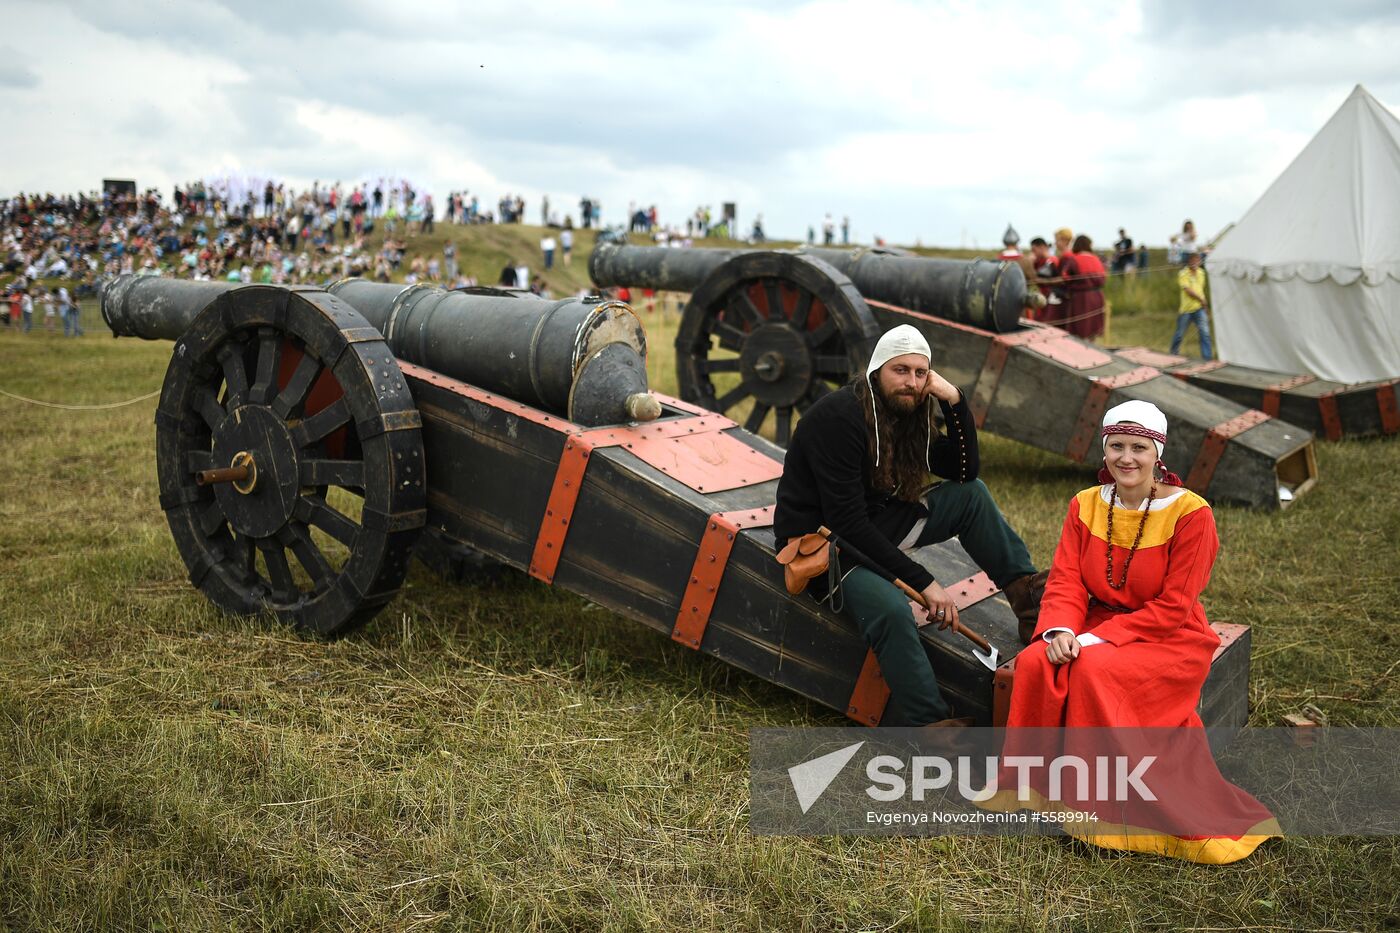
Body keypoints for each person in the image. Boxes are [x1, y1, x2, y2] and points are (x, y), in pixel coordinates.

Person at [982, 400, 1278, 862]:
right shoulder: (1084, 504)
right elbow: (1066, 580)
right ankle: (1037, 794)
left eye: (1139, 447)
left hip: (1169, 634)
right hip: (1093, 622)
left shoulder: (1192, 514)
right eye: (1116, 446)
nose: (1126, 458)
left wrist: (1092, 641)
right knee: (1039, 662)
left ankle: (1104, 811)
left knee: (1095, 671)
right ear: (1104, 451)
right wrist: (1059, 630)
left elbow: (1175, 606)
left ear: (1157, 454)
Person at [773, 325, 1049, 727]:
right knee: (891, 610)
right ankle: (930, 727)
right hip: (826, 544)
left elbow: (963, 470)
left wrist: (954, 401)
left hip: (875, 524)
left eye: (921, 373)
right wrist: (923, 581)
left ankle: (1028, 605)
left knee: (971, 495)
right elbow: (847, 523)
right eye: (901, 370)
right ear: (877, 371)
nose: (912, 382)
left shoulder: (910, 414)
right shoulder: (838, 418)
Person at [1063, 234, 1106, 340]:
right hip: (1097, 296)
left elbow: (1065, 277)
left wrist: (1072, 287)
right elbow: (1103, 278)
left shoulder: (1074, 260)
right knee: (1092, 328)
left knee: (1081, 327)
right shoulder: (1096, 259)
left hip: (1081, 298)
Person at [1172, 250, 1214, 359]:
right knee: (1179, 335)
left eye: (1197, 260)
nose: (1195, 262)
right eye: (1193, 260)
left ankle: (1207, 358)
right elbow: (1187, 290)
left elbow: (1200, 289)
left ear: (1199, 261)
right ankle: (1173, 354)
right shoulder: (1183, 273)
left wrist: (1204, 305)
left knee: (1205, 333)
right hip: (1186, 309)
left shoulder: (1201, 273)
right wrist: (1201, 299)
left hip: (1199, 308)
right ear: (1189, 261)